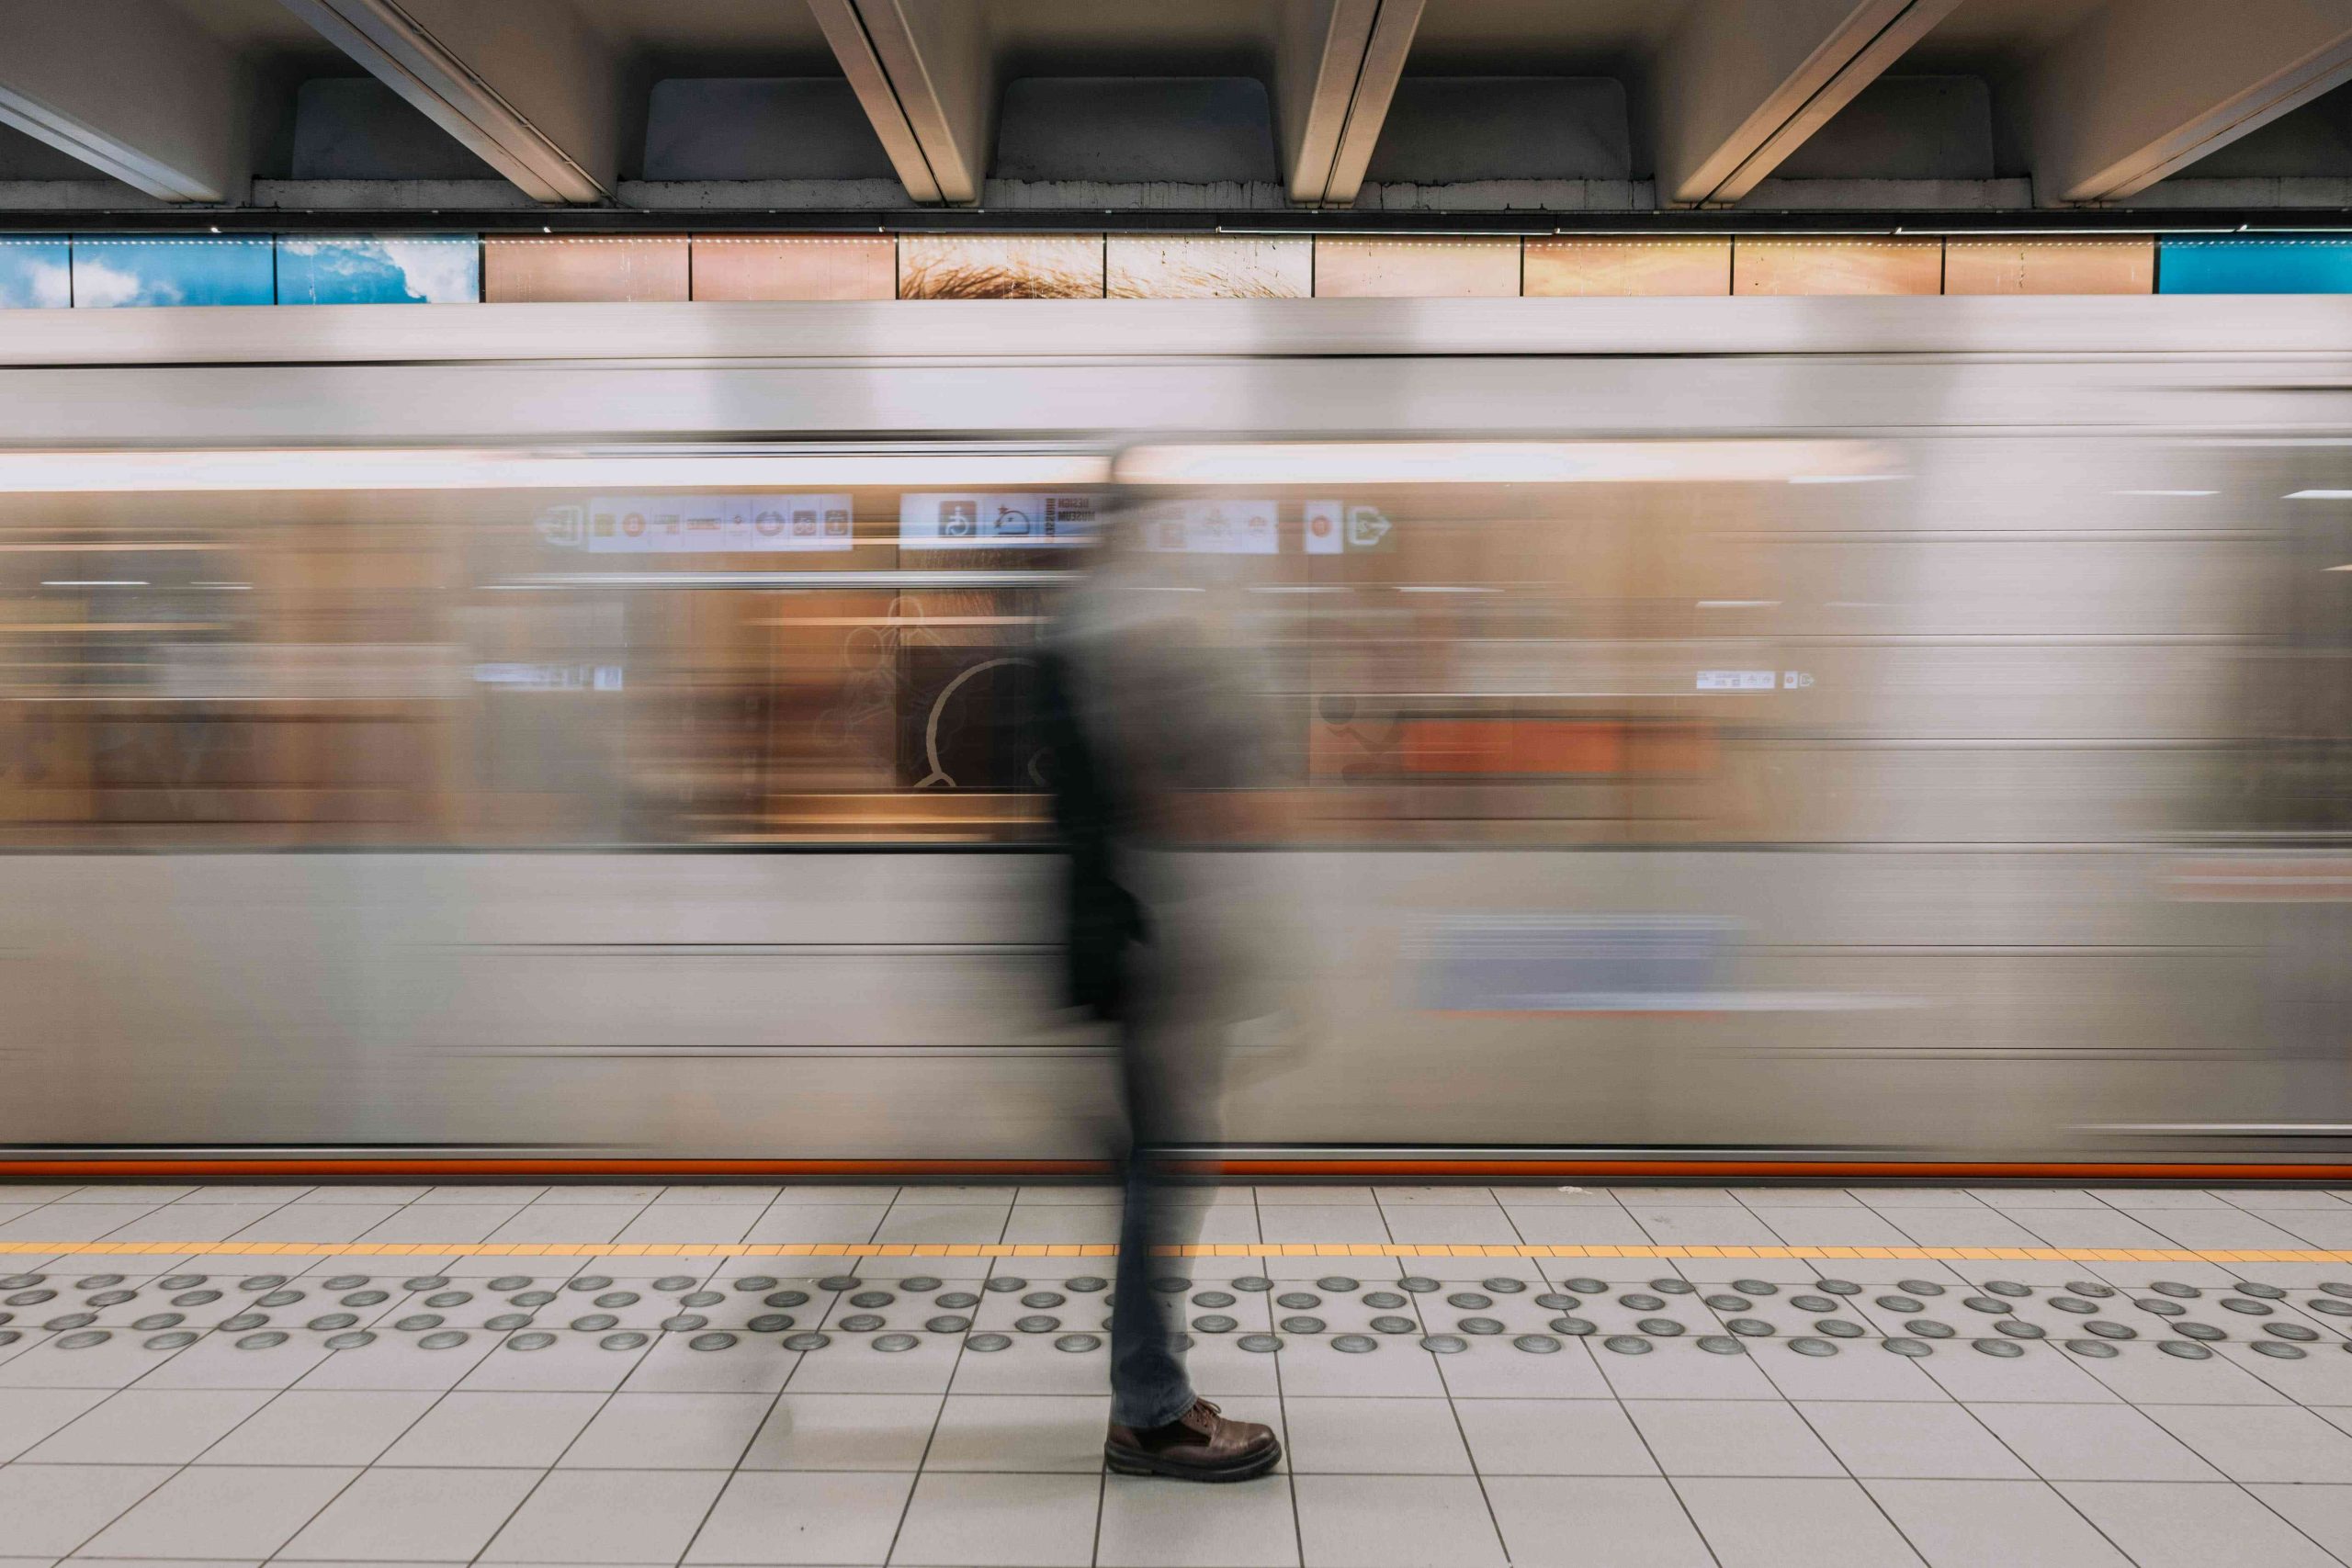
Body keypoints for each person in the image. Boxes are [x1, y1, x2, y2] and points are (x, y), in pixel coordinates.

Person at [1034, 510, 1283, 1483]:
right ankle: (1148, 1412)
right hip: (1144, 960)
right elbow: (1148, 808)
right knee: (1158, 1179)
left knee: (1156, 1175)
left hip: (1143, 955)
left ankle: (1152, 1397)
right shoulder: (1105, 638)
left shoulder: (1093, 632)